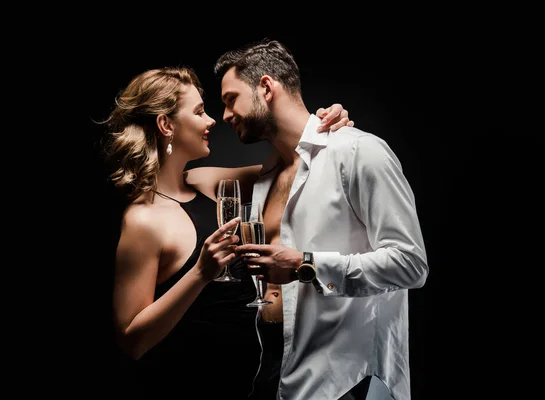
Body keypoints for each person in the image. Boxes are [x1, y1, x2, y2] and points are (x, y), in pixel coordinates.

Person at [97, 65, 354, 398]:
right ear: (166, 125)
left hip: (254, 381)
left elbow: (294, 162)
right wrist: (200, 274)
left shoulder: (207, 183)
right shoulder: (143, 220)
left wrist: (324, 123)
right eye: (200, 111)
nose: (212, 121)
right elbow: (132, 341)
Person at [211, 39, 429, 400]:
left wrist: (305, 264)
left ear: (266, 87)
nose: (225, 116)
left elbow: (411, 264)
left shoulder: (359, 152)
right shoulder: (266, 176)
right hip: (278, 372)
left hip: (346, 382)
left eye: (230, 99)